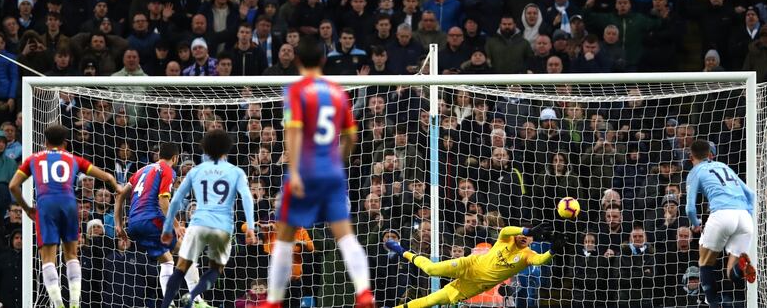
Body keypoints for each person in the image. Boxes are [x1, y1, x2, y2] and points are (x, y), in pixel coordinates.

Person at [261, 35, 374, 308]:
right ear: (324, 60)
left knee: (285, 237)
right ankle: (363, 292)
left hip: (305, 169)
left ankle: (274, 300)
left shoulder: (296, 91)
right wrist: (337, 161)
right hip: (332, 171)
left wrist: (296, 171)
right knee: (345, 236)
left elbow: (293, 131)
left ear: (297, 60)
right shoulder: (337, 91)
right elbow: (351, 136)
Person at [8, 124, 119, 308]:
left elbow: (13, 186)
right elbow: (106, 177)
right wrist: (118, 187)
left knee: (48, 258)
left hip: (46, 205)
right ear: (65, 143)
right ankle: (75, 302)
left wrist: (27, 208)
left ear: (45, 142)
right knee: (72, 255)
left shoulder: (34, 159)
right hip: (69, 204)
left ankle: (57, 302)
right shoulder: (73, 158)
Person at [158, 130, 258, 308]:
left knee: (181, 267)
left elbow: (175, 200)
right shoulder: (236, 172)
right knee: (215, 269)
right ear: (227, 149)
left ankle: (165, 305)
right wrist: (250, 227)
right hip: (222, 227)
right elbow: (247, 198)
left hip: (198, 224)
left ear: (205, 149)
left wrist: (167, 227)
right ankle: (193, 295)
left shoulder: (196, 171)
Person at [114, 142, 209, 308]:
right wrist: (176, 225)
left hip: (134, 224)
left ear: (159, 156)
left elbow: (120, 195)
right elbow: (163, 201)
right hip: (152, 219)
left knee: (166, 260)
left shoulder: (141, 170)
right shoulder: (168, 170)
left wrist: (119, 225)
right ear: (175, 158)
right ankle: (197, 301)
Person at [384, 224, 564, 307]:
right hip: (468, 264)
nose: (525, 238)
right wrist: (527, 230)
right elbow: (505, 230)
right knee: (431, 269)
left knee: (432, 301)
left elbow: (541, 260)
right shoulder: (506, 238)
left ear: (531, 242)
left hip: (474, 286)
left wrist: (552, 251)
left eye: (529, 237)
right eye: (523, 234)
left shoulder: (527, 256)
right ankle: (402, 250)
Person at [686, 139, 756, 308]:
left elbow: (689, 208)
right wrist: (750, 217)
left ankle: (713, 303)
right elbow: (751, 194)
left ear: (691, 157)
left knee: (704, 261)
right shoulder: (723, 166)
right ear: (709, 154)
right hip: (745, 218)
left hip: (722, 214)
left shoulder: (695, 172)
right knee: (730, 272)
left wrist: (695, 223)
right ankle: (742, 268)